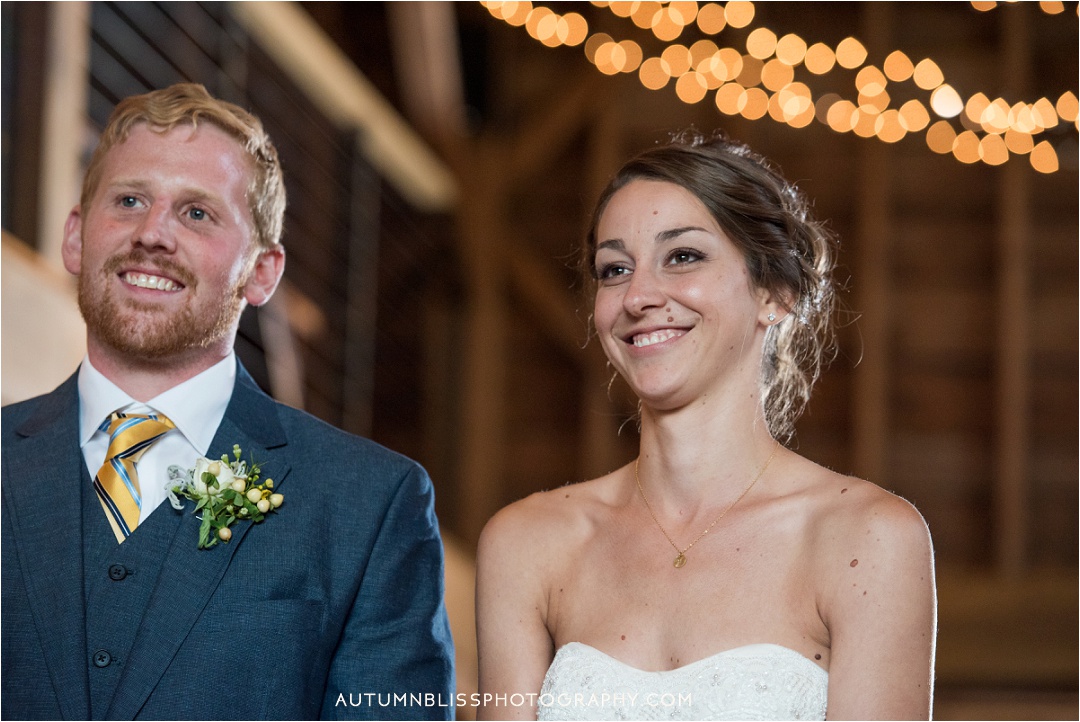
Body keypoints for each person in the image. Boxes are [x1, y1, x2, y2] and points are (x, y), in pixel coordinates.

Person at [1, 83, 454, 720]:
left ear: (262, 272)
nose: (152, 233)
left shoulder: (371, 506)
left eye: (197, 214)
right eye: (130, 200)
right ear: (76, 237)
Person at [475, 131, 936, 720]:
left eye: (683, 257)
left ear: (775, 293)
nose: (639, 296)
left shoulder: (868, 538)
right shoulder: (527, 543)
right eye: (614, 269)